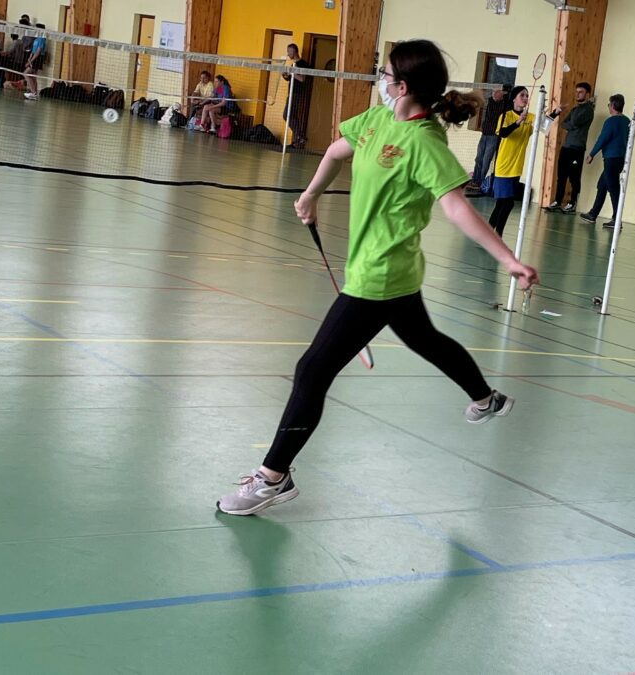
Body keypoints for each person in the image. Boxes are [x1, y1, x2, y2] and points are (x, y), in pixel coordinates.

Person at [216, 39, 539, 516]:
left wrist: (508, 259)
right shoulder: (376, 119)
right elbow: (335, 151)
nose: (380, 81)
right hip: (390, 270)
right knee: (425, 338)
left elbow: (456, 208)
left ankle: (273, 476)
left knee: (312, 370)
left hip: (380, 273)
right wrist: (311, 196)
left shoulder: (426, 143)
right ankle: (485, 398)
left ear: (403, 85)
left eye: (385, 74)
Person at [487, 86, 534, 237]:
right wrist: (518, 122)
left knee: (502, 203)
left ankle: (488, 234)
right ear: (514, 98)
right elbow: (503, 133)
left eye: (527, 96)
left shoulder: (530, 117)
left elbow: (544, 125)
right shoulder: (505, 116)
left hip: (517, 167)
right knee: (507, 203)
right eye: (522, 95)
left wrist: (555, 112)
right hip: (504, 166)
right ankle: (497, 235)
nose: (525, 98)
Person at [580, 94, 630, 229]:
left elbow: (603, 139)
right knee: (602, 185)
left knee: (614, 189)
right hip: (620, 159)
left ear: (613, 106)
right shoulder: (627, 121)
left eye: (609, 104)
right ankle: (593, 214)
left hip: (611, 159)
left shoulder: (611, 121)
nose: (608, 107)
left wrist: (591, 154)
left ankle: (616, 219)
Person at [544, 82, 594, 214]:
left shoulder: (588, 109)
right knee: (561, 176)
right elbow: (564, 124)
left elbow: (574, 122)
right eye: (576, 92)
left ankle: (572, 203)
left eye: (581, 92)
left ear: (588, 94)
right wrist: (570, 123)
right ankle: (557, 201)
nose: (577, 94)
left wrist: (571, 124)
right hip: (566, 147)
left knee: (574, 177)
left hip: (577, 149)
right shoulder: (574, 109)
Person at [466, 84, 508, 193]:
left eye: (496, 92)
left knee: (486, 160)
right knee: (479, 158)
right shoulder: (489, 101)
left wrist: (505, 94)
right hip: (484, 134)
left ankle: (480, 182)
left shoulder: (504, 104)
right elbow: (482, 97)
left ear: (501, 94)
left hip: (494, 136)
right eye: (493, 92)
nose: (494, 94)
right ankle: (475, 181)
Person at [281, 43, 311, 148]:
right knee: (291, 115)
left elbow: (302, 79)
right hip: (292, 92)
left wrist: (292, 73)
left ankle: (300, 136)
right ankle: (298, 138)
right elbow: (291, 78)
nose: (288, 53)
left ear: (295, 51)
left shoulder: (303, 64)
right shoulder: (292, 64)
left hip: (297, 93)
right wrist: (286, 75)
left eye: (289, 51)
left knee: (287, 115)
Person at [21, 24, 47, 100]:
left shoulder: (42, 39)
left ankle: (33, 92)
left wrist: (31, 61)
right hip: (33, 58)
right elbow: (33, 51)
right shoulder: (36, 39)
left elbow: (38, 52)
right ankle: (35, 93)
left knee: (26, 74)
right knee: (33, 76)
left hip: (38, 58)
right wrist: (29, 59)